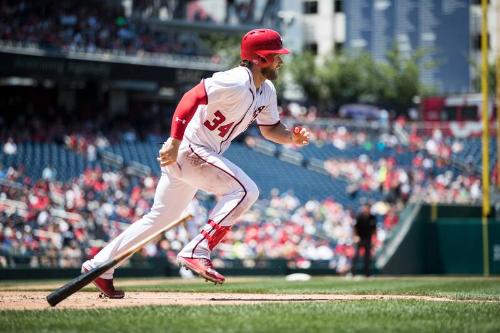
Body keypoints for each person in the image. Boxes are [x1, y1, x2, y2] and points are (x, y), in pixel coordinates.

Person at [81, 28, 310, 298]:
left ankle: (100, 267)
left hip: (197, 154)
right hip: (191, 149)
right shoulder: (236, 79)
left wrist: (291, 138)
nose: (280, 61)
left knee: (160, 217)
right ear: (259, 58)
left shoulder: (267, 90)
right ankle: (197, 249)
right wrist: (175, 141)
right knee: (246, 191)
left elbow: (270, 129)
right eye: (275, 56)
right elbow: (190, 98)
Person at [350, 203, 377, 277]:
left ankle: (367, 274)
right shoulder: (359, 216)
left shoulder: (372, 217)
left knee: (367, 257)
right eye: (364, 208)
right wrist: (355, 236)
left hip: (368, 239)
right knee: (356, 256)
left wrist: (374, 240)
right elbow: (355, 228)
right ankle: (352, 273)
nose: (365, 209)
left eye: (367, 208)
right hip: (359, 238)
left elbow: (374, 230)